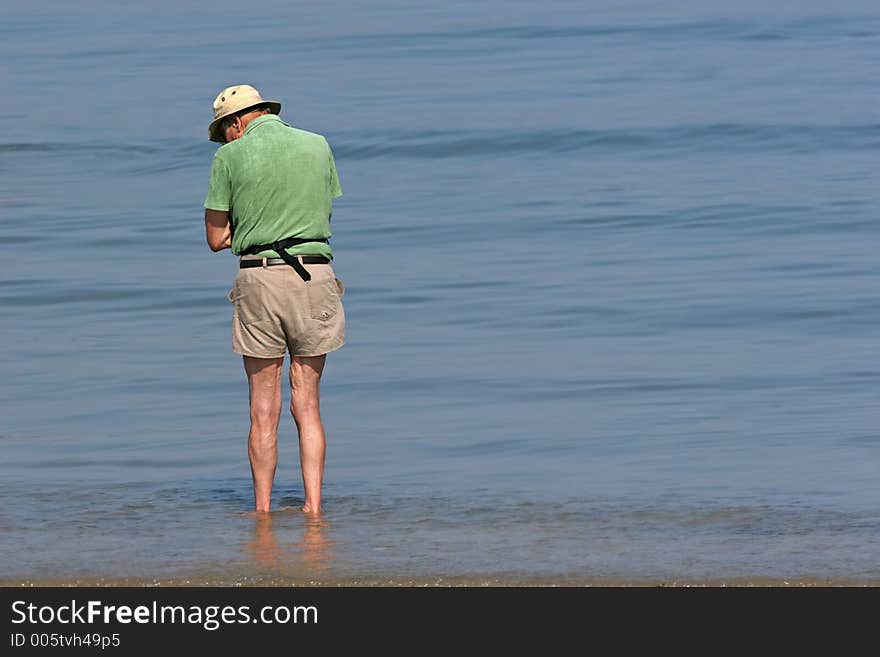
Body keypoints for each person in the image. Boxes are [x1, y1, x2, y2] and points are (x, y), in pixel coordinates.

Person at [203, 84, 344, 515]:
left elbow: (216, 238)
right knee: (308, 402)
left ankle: (262, 510)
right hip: (315, 275)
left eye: (225, 130)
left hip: (260, 281)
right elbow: (321, 212)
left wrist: (249, 228)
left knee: (263, 407)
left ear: (236, 121)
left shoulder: (229, 157)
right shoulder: (318, 146)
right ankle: (313, 508)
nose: (227, 139)